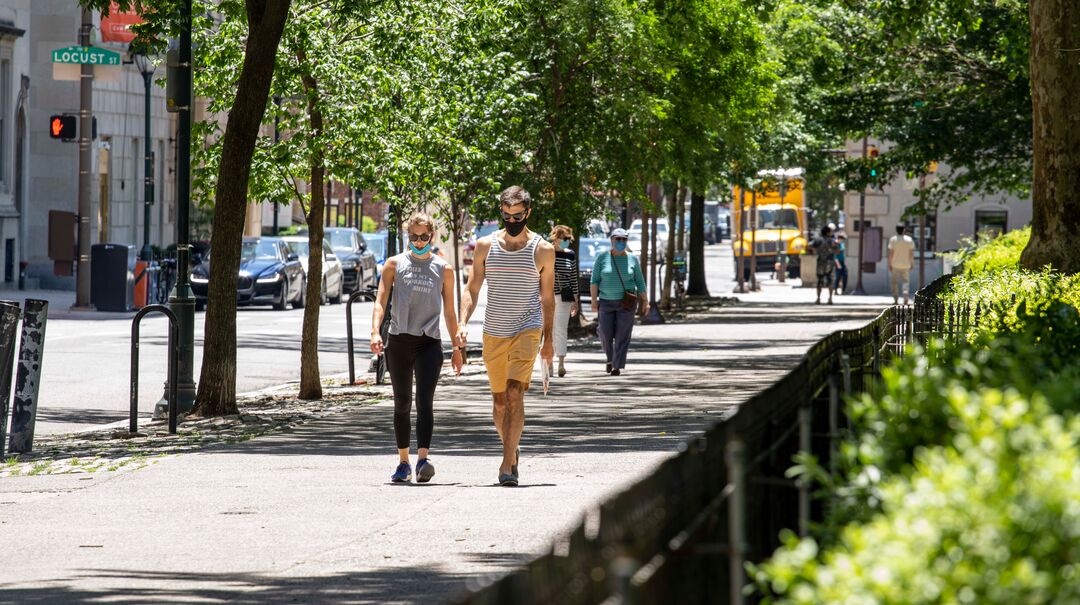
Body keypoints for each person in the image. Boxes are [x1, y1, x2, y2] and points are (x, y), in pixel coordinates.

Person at [459, 186, 556, 487]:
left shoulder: (543, 249)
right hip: (494, 332)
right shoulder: (486, 245)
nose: (512, 219)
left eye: (517, 215)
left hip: (527, 328)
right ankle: (512, 449)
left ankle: (505, 462)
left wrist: (549, 340)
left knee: (515, 392)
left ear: (527, 212)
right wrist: (463, 322)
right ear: (501, 212)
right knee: (500, 403)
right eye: (506, 214)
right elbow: (472, 288)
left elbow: (548, 298)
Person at [370, 212, 464, 484]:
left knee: (425, 402)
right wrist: (375, 331)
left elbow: (449, 311)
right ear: (407, 236)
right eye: (414, 237)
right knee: (402, 403)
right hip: (399, 339)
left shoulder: (443, 269)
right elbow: (380, 302)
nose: (419, 241)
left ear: (431, 236)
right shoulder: (394, 264)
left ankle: (423, 459)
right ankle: (403, 462)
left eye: (424, 237)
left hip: (428, 342)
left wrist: (457, 347)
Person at [590, 228, 647, 376]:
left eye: (624, 240)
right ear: (612, 240)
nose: (621, 242)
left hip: (626, 303)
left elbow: (639, 282)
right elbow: (594, 281)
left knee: (622, 335)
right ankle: (610, 358)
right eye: (618, 239)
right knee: (605, 333)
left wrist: (646, 301)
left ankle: (616, 365)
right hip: (606, 302)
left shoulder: (633, 259)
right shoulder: (602, 258)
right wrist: (594, 302)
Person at [550, 225, 579, 378]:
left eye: (568, 239)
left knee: (561, 329)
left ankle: (561, 363)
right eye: (564, 239)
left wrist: (576, 299)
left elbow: (573, 278)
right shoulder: (547, 252)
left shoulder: (570, 255)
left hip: (565, 296)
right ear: (555, 238)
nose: (567, 241)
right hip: (547, 295)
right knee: (547, 329)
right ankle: (548, 362)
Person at [888, 223, 916, 304]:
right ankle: (905, 293)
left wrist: (889, 263)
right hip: (906, 264)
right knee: (906, 281)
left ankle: (896, 298)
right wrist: (912, 263)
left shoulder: (893, 240)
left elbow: (891, 253)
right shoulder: (909, 240)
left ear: (896, 230)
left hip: (895, 264)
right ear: (904, 230)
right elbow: (911, 254)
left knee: (894, 282)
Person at [811, 225, 837, 305]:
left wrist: (816, 252)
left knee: (820, 281)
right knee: (830, 281)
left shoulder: (818, 240)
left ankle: (818, 299)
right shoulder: (832, 241)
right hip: (830, 263)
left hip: (820, 262)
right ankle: (830, 299)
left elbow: (810, 247)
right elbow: (837, 249)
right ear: (828, 232)